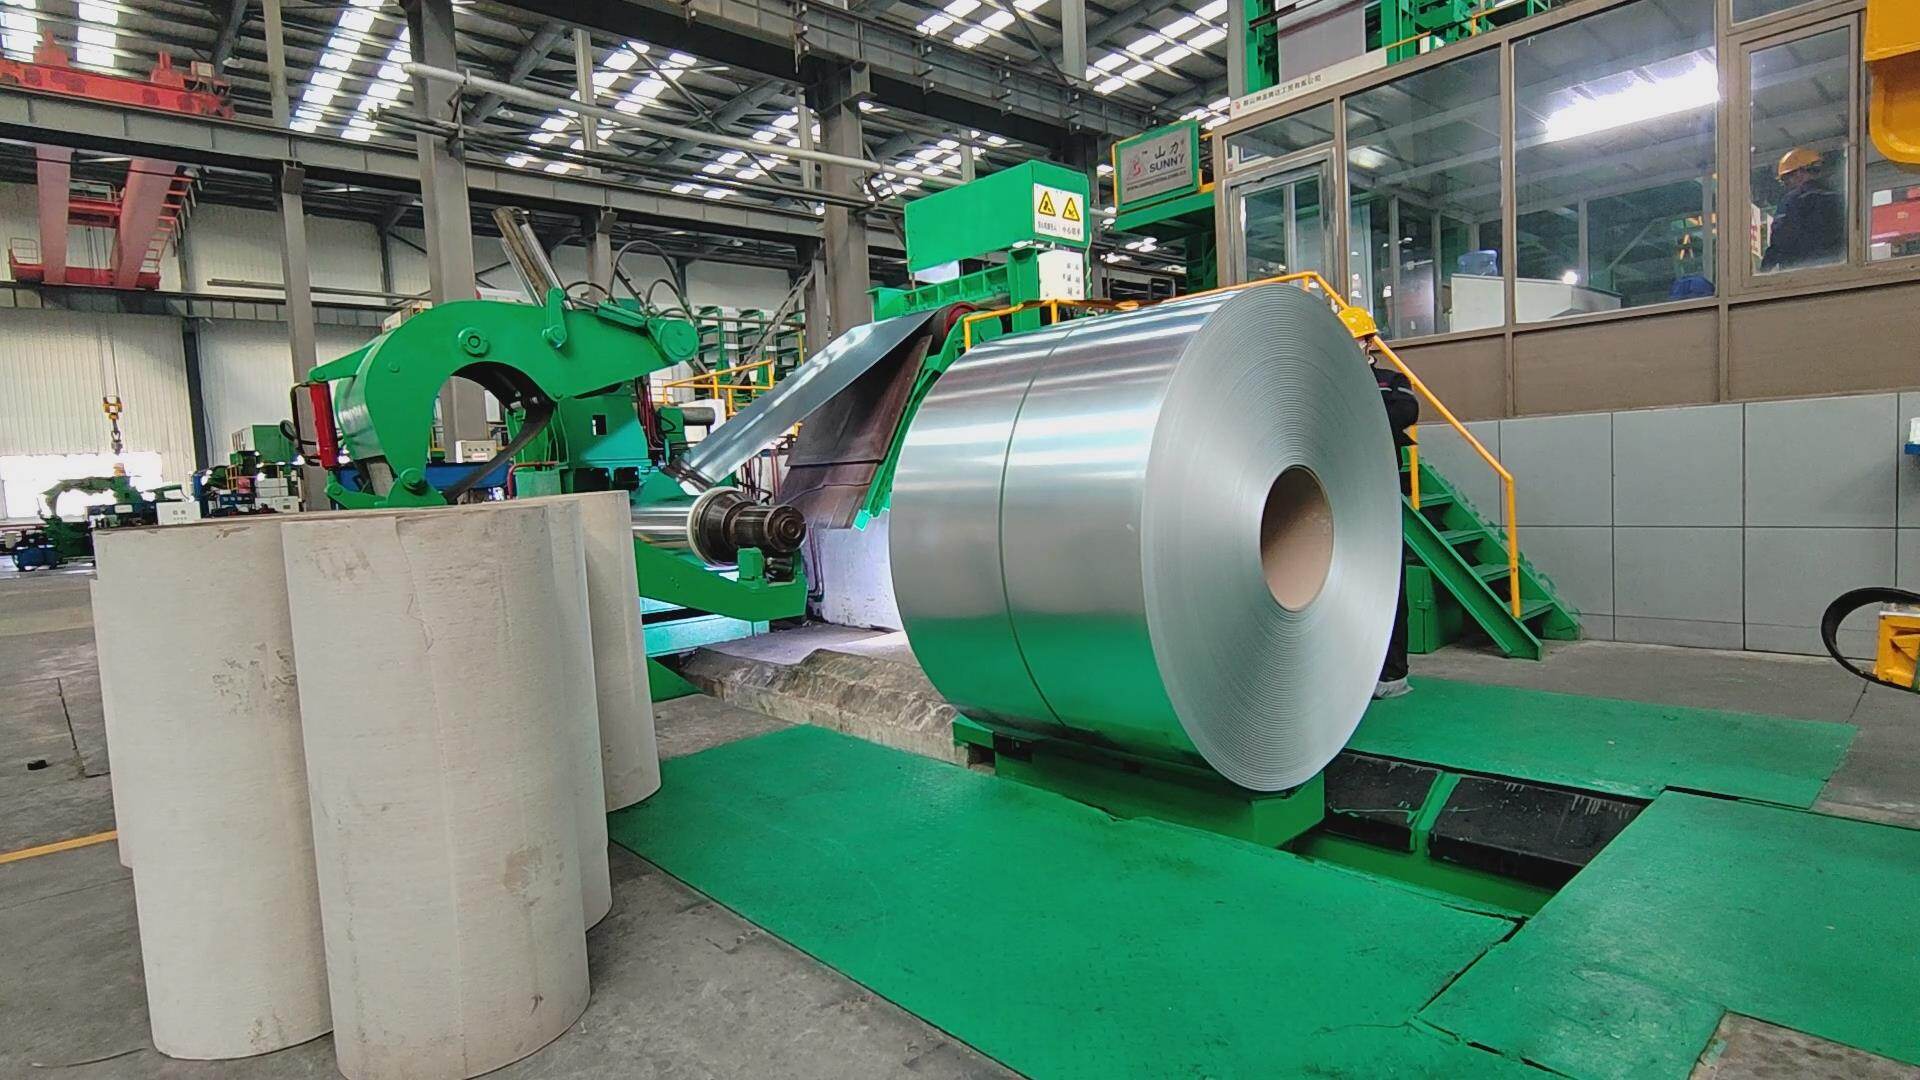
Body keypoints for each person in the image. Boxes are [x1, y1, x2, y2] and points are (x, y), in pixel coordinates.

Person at [1375, 359, 1418, 700]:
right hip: (1338, 488)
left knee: (1388, 579)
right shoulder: (1327, 375)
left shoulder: (1390, 380)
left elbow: (1406, 410)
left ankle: (1392, 673)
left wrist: (1358, 413)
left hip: (1380, 489)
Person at [1761, 148, 1845, 272]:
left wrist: (1764, 270)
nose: (1787, 185)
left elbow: (1781, 238)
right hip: (1835, 268)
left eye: (1786, 179)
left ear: (1799, 173)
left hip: (1800, 270)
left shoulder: (1793, 200)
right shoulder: (1839, 198)